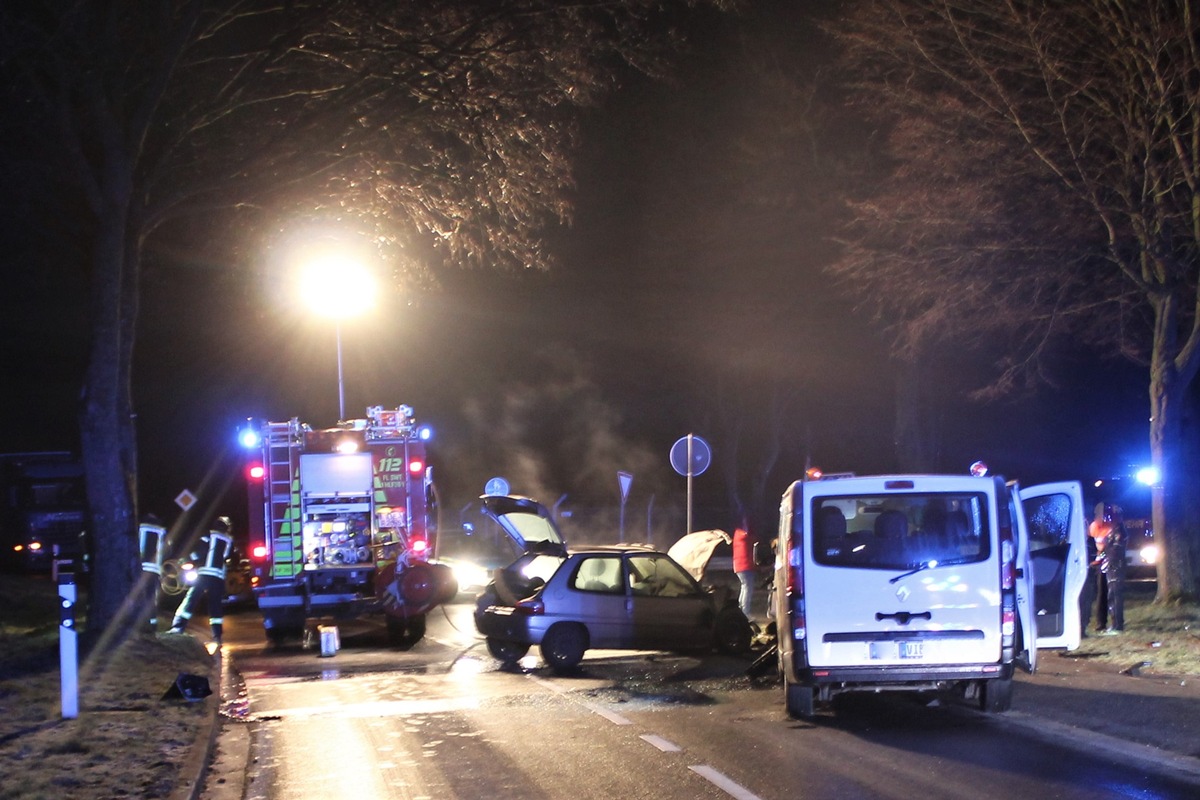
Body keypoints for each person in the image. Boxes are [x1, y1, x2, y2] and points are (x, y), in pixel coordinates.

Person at [168, 516, 233, 645]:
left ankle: (178, 627)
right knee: (215, 606)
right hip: (218, 577)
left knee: (191, 600)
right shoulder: (229, 540)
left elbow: (199, 553)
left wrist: (186, 560)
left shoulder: (208, 536)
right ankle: (217, 636)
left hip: (204, 574)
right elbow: (226, 557)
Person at [1093, 503, 1127, 634]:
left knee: (1115, 595)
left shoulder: (1119, 531)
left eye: (1112, 516)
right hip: (1110, 565)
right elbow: (1106, 549)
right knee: (1110, 595)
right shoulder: (1114, 530)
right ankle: (1114, 624)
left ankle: (1117, 625)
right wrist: (1098, 560)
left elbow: (1114, 551)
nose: (1109, 519)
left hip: (1114, 566)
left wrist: (1106, 562)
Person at [732, 525, 755, 619]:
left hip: (738, 566)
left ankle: (740, 610)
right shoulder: (745, 537)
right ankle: (745, 612)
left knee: (744, 587)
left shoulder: (737, 535)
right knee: (747, 589)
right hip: (745, 565)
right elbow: (753, 541)